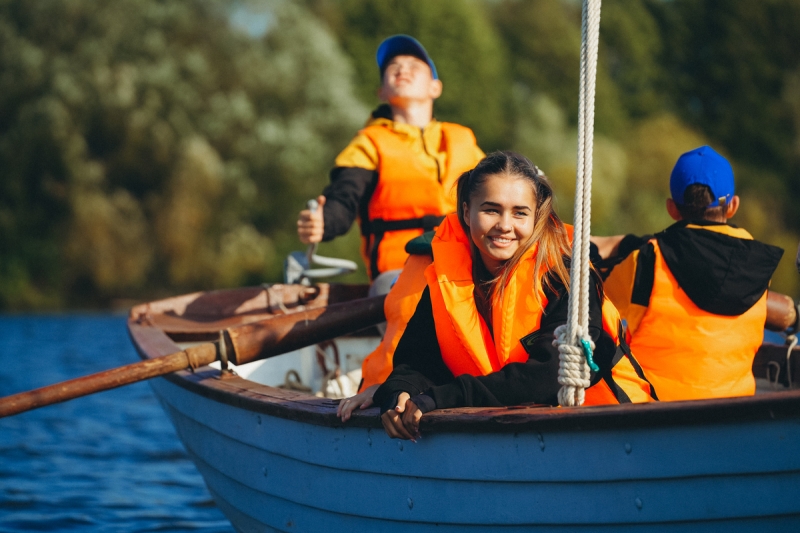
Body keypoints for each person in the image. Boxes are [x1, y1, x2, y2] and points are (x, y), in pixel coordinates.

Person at [354, 151, 656, 439]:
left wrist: (440, 399)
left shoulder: (567, 275)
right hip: (510, 428)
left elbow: (550, 374)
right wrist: (398, 394)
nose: (505, 226)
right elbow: (417, 363)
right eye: (491, 209)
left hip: (608, 426)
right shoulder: (445, 278)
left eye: (519, 213)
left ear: (536, 217)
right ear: (466, 211)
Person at [592, 146, 784, 402]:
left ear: (672, 208)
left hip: (654, 410)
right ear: (733, 206)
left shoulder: (648, 258)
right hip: (734, 413)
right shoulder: (759, 266)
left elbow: (601, 292)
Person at [296, 35, 485, 280]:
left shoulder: (464, 140)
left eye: (414, 66)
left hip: (468, 263)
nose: (402, 70)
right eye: (393, 67)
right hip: (401, 272)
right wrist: (324, 221)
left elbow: (500, 190)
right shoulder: (369, 142)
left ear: (435, 87)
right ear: (382, 91)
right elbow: (344, 198)